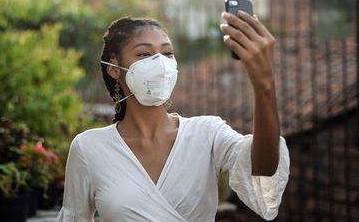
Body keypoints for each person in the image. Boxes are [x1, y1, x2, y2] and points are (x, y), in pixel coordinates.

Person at [57, 11, 290, 222]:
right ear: (114, 68)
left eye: (167, 53)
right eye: (144, 53)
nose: (160, 63)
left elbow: (264, 166)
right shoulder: (89, 148)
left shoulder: (207, 133)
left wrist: (265, 86)